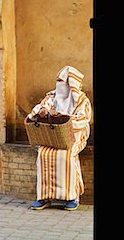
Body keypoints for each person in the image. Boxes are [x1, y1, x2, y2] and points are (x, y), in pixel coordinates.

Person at [27, 65, 92, 211]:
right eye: (57, 80)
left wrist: (62, 118)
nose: (59, 84)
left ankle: (72, 197)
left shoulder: (82, 100)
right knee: (43, 153)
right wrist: (42, 111)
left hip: (75, 136)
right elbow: (37, 110)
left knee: (66, 156)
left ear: (71, 84)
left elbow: (83, 120)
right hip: (51, 136)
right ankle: (44, 197)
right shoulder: (51, 96)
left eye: (62, 81)